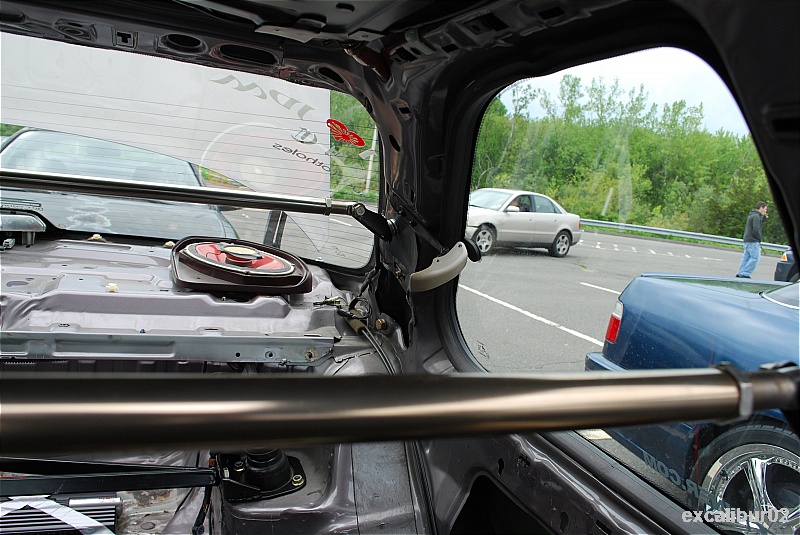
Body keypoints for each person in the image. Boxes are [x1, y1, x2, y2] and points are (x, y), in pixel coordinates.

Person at [736, 201, 768, 278]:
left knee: (746, 258)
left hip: (747, 240)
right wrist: (759, 238)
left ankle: (740, 272)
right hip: (753, 240)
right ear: (761, 208)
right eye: (765, 209)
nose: (766, 211)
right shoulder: (756, 216)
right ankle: (745, 273)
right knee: (755, 258)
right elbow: (756, 229)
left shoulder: (752, 215)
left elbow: (757, 224)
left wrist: (764, 219)